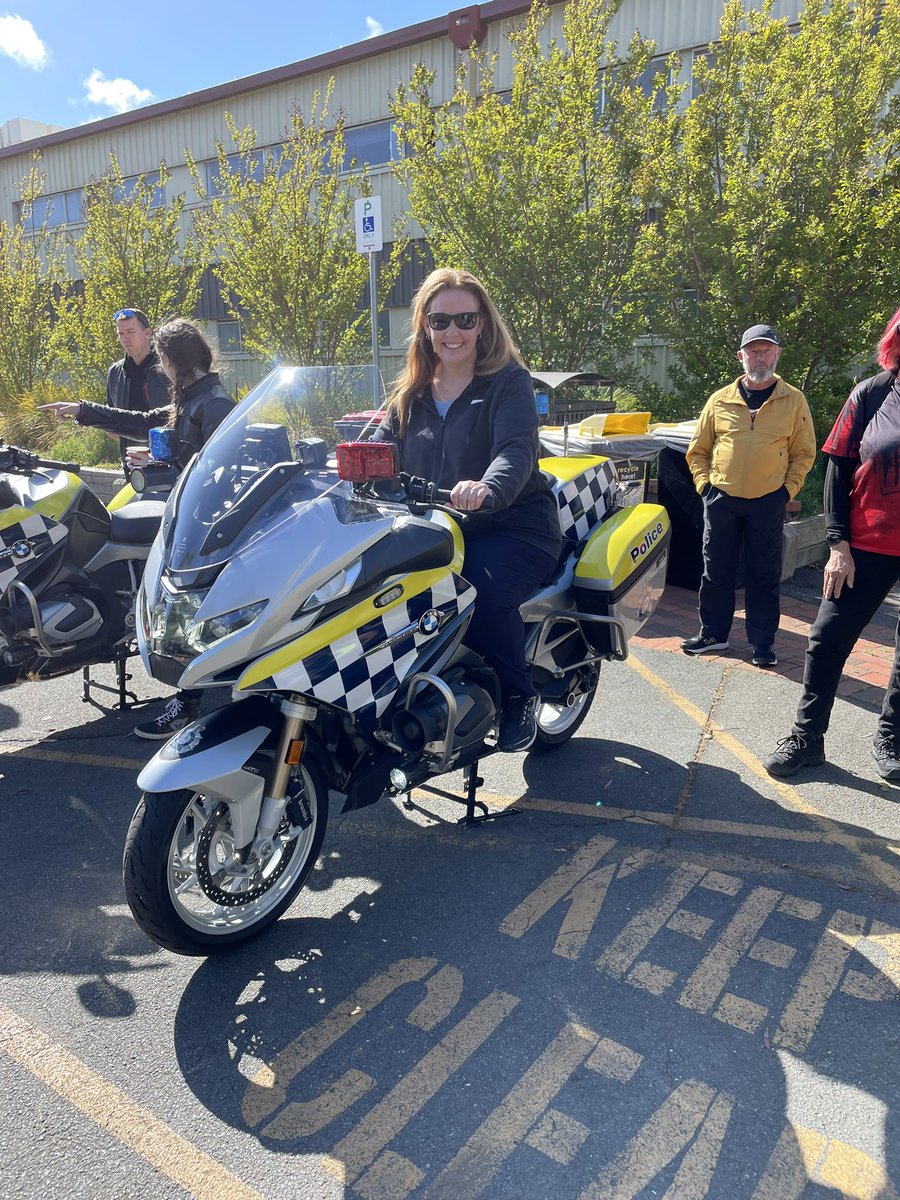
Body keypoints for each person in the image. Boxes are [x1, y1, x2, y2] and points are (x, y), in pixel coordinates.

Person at [374, 267, 561, 751]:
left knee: (476, 594)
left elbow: (517, 450)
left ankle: (518, 699)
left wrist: (487, 487)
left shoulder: (507, 382)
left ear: (483, 324)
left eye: (464, 320)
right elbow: (378, 446)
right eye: (440, 321)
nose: (452, 332)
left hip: (510, 524)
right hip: (433, 526)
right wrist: (342, 465)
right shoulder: (411, 390)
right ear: (424, 326)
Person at [40, 317, 234, 739]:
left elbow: (220, 473)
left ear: (168, 359)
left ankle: (188, 704)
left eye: (162, 361)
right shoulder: (193, 396)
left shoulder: (212, 403)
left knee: (185, 615)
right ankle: (194, 694)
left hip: (203, 526)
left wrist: (164, 464)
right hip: (186, 517)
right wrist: (84, 412)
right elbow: (143, 420)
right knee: (180, 613)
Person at [764, 308, 900, 780]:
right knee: (826, 639)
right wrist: (837, 544)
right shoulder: (873, 394)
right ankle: (807, 738)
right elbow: (838, 470)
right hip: (864, 547)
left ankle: (893, 736)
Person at [681, 324, 816, 667]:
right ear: (741, 356)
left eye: (766, 350)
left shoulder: (793, 400)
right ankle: (713, 634)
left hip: (768, 502)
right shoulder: (720, 399)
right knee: (716, 571)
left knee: (763, 574)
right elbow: (697, 451)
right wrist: (705, 487)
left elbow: (804, 453)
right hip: (722, 499)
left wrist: (786, 492)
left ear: (777, 355)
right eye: (753, 351)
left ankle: (762, 643)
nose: (760, 357)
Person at [105, 307, 170, 472]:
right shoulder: (115, 372)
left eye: (130, 332)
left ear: (147, 333)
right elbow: (112, 419)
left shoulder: (169, 368)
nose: (125, 338)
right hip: (129, 463)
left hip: (166, 462)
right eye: (121, 334)